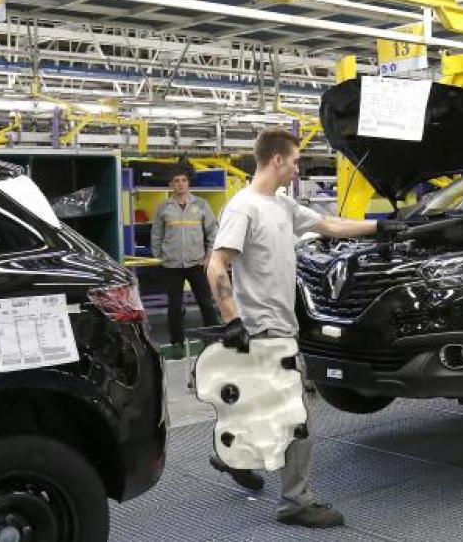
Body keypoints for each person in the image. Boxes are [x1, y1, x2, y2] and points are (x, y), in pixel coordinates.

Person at [205, 127, 402, 528]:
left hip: (282, 326)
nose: (297, 169)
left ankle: (231, 455)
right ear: (277, 160)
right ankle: (295, 501)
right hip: (263, 331)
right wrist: (232, 321)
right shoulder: (244, 208)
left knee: (260, 405)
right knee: (297, 418)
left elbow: (328, 225)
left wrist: (379, 228)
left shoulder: (281, 204)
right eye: (295, 161)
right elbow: (216, 265)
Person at [151, 168, 220, 359]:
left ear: (188, 184)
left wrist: (209, 257)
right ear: (171, 185)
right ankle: (177, 343)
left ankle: (213, 340)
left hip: (196, 263)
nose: (180, 184)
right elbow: (156, 233)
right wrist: (160, 255)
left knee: (206, 303)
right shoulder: (163, 207)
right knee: (174, 306)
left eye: (183, 180)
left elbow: (212, 232)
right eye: (176, 181)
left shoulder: (201, 205)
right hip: (172, 265)